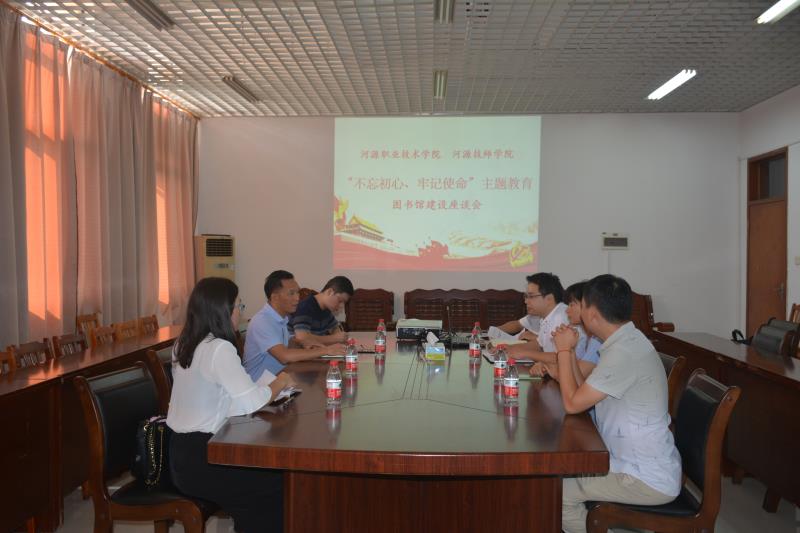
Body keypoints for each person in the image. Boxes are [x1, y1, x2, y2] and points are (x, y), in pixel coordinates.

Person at [553, 274, 681, 533]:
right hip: (633, 461)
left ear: (592, 313)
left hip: (643, 476)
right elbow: (584, 393)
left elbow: (572, 404)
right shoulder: (626, 341)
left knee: (557, 495)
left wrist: (563, 351)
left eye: (582, 305)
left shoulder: (624, 353)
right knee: (558, 477)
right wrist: (571, 352)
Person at [167, 277, 293, 533]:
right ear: (222, 310)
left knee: (270, 478)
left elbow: (221, 398)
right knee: (279, 483)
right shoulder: (219, 348)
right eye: (238, 306)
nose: (241, 312)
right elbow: (251, 402)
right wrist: (280, 383)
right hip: (205, 457)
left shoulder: (184, 343)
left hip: (180, 453)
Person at [244, 270, 346, 380]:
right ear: (275, 297)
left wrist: (305, 344)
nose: (297, 298)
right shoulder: (262, 321)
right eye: (291, 293)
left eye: (297, 292)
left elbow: (287, 343)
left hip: (279, 379)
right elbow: (284, 356)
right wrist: (326, 350)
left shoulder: (282, 318)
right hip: (259, 385)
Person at [530, 281, 600, 380]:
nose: (567, 310)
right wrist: (547, 365)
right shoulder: (587, 336)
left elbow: (575, 378)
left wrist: (549, 367)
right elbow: (572, 368)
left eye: (572, 305)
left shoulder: (597, 340)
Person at [504, 272, 569, 361]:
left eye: (531, 296)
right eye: (526, 296)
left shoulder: (561, 317)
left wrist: (525, 353)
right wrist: (509, 348)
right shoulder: (545, 317)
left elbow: (560, 358)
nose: (526, 301)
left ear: (549, 299)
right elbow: (539, 345)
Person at [288, 276, 354, 345]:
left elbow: (335, 329)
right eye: (340, 301)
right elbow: (302, 338)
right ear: (330, 292)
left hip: (313, 349)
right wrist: (334, 338)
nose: (341, 306)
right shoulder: (305, 307)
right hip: (295, 349)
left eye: (344, 303)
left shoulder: (326, 309)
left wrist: (340, 336)